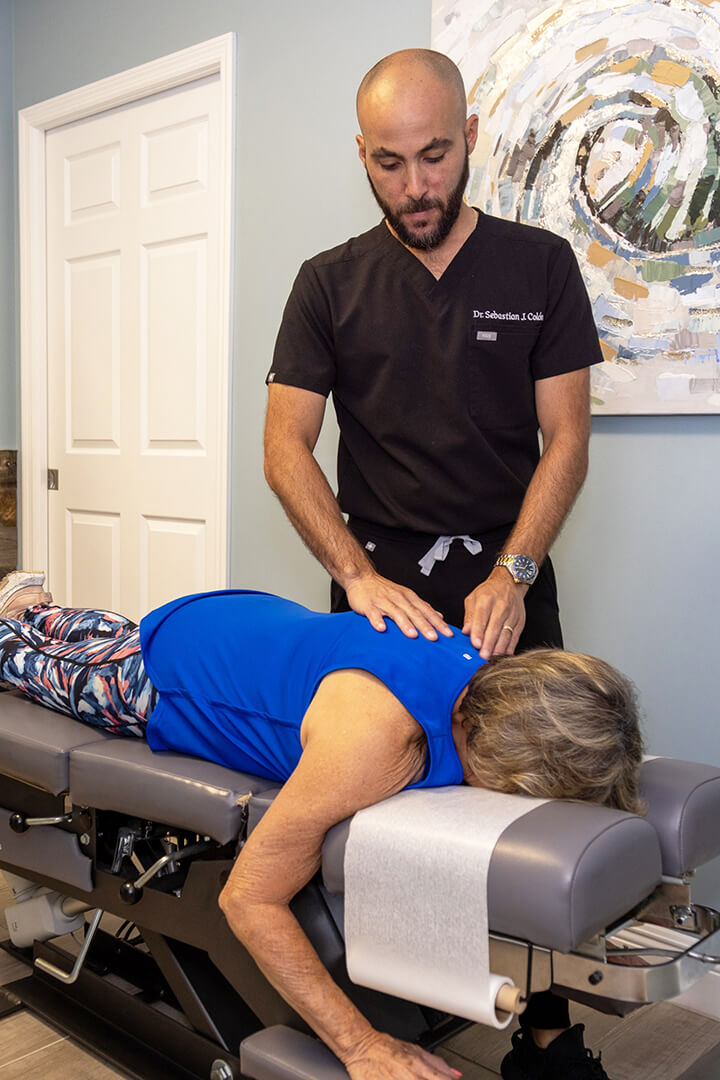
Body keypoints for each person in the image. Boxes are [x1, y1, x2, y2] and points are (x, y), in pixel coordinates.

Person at [0, 571, 642, 1080]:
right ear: (501, 757)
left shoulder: (487, 666)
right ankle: (19, 623)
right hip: (167, 672)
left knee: (94, 633)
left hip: (244, 623)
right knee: (33, 666)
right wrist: (361, 1047)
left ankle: (37, 607)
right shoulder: (379, 741)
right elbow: (248, 899)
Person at [264, 48, 603, 663]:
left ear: (469, 136)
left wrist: (514, 575)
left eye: (435, 157)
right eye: (390, 164)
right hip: (376, 585)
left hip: (510, 574)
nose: (415, 188)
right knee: (379, 755)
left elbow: (567, 439)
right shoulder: (326, 283)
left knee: (524, 757)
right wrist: (355, 578)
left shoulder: (543, 266)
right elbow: (283, 447)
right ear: (362, 152)